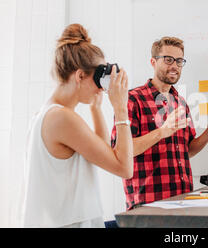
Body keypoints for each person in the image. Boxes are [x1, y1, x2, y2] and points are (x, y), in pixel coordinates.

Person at [21, 24, 133, 227]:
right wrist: (121, 108)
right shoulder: (61, 118)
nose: (101, 89)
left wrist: (96, 109)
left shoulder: (46, 114)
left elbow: (101, 152)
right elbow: (124, 168)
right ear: (80, 76)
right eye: (98, 80)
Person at [111, 37, 208, 210]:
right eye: (168, 59)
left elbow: (186, 151)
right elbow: (122, 152)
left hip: (182, 199)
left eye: (179, 61)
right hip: (147, 204)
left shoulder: (180, 102)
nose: (174, 66)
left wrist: (207, 134)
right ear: (153, 62)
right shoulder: (132, 99)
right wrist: (162, 131)